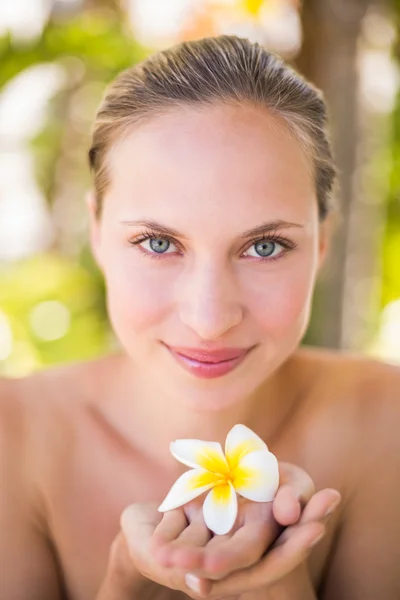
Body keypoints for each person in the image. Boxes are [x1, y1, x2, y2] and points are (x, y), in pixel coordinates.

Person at [1, 34, 399, 600]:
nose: (210, 319)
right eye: (159, 243)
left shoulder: (388, 426)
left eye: (264, 247)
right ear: (96, 232)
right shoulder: (10, 440)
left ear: (323, 244)